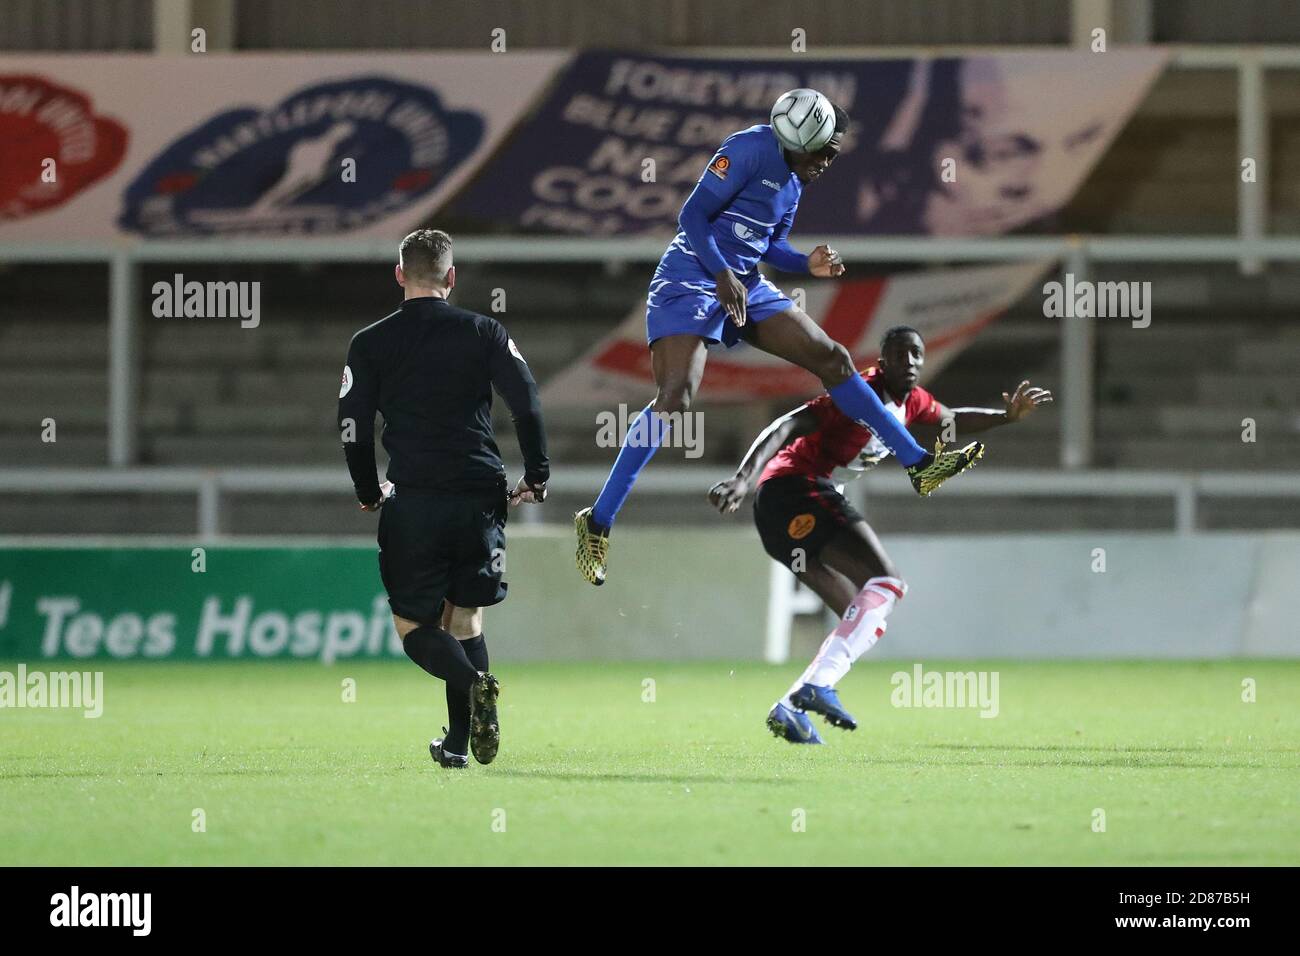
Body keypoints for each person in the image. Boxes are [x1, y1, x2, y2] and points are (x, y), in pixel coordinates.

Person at [574, 95, 983, 586]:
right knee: (676, 396)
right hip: (690, 277)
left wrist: (804, 264)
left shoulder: (794, 180)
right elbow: (691, 217)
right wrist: (723, 274)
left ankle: (918, 464)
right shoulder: (747, 149)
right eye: (823, 153)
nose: (828, 163)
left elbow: (768, 245)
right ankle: (597, 523)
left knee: (833, 358)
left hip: (743, 279)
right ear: (798, 141)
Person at [707, 326, 1052, 743]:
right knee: (886, 582)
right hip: (794, 489)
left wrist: (1006, 418)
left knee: (863, 616)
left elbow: (951, 420)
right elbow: (786, 424)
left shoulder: (914, 403)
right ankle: (813, 689)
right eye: (900, 355)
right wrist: (742, 478)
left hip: (783, 511)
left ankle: (791, 705)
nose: (909, 362)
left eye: (916, 355)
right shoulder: (855, 394)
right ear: (882, 361)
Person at [337, 228, 549, 768]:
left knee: (415, 627)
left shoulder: (370, 342)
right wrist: (538, 473)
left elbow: (353, 427)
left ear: (399, 274)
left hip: (416, 499)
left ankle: (476, 685)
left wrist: (368, 491)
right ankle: (457, 743)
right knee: (466, 622)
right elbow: (525, 399)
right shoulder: (484, 331)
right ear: (452, 278)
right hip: (481, 495)